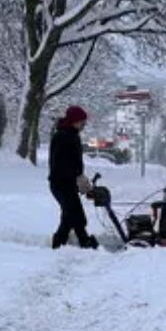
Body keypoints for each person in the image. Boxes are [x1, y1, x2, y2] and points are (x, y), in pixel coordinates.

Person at [49, 105, 98, 249]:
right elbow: (61, 163)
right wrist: (78, 178)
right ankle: (77, 242)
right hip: (60, 184)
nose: (84, 125)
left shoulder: (71, 134)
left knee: (70, 215)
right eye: (82, 122)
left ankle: (64, 242)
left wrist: (80, 179)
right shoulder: (63, 136)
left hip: (68, 183)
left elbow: (74, 163)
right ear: (73, 120)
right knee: (74, 215)